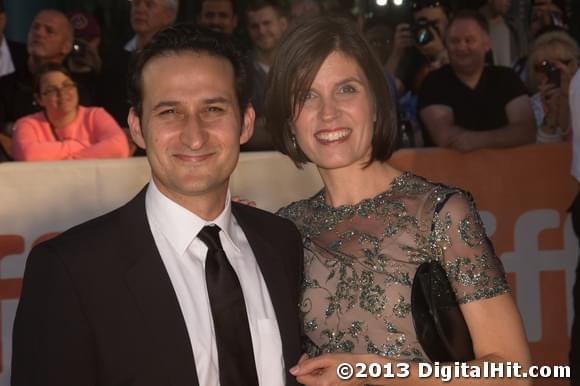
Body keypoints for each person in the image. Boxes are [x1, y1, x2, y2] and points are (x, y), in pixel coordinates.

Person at [11, 23, 303, 386]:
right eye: (169, 112)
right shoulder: (70, 271)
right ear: (136, 127)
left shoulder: (281, 242)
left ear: (245, 123)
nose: (194, 136)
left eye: (213, 108)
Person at [264, 16, 531, 385]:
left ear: (376, 102)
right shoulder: (287, 228)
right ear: (289, 121)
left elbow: (514, 373)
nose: (328, 113)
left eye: (346, 90)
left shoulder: (438, 214)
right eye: (307, 95)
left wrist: (374, 372)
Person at [418, 10, 535, 151]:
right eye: (455, 41)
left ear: (487, 44)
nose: (461, 47)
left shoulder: (507, 78)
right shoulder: (433, 83)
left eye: (469, 40)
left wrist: (477, 141)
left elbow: (526, 131)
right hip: (446, 172)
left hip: (505, 171)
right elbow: (444, 136)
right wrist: (503, 137)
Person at [0, 9, 94, 134]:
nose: (38, 33)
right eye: (35, 27)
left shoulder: (76, 91)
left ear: (66, 46)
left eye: (49, 31)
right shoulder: (4, 86)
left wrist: (19, 128)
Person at [12, 63, 129, 161]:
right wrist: (77, 146)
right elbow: (28, 155)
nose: (62, 93)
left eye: (67, 85)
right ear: (39, 99)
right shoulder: (27, 124)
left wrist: (71, 160)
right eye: (52, 90)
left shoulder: (95, 115)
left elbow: (119, 147)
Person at [242, 0, 288, 150]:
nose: (261, 31)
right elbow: (240, 132)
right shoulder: (240, 71)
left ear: (283, 24)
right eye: (254, 26)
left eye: (267, 23)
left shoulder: (299, 68)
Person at [526, 29, 578, 143]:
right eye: (545, 66)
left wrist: (569, 96)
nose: (555, 71)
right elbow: (538, 153)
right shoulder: (530, 106)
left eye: (563, 62)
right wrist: (551, 113)